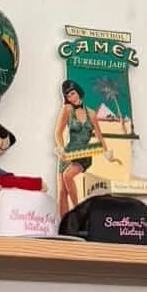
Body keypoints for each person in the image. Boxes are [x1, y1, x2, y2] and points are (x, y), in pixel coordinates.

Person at [55, 80, 107, 216]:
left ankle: (78, 210)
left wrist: (107, 152)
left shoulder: (92, 114)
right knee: (62, 192)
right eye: (68, 96)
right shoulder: (67, 109)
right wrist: (61, 149)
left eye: (73, 93)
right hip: (68, 153)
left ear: (78, 92)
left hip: (84, 153)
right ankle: (64, 224)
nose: (71, 97)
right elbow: (58, 132)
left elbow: (100, 137)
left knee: (67, 176)